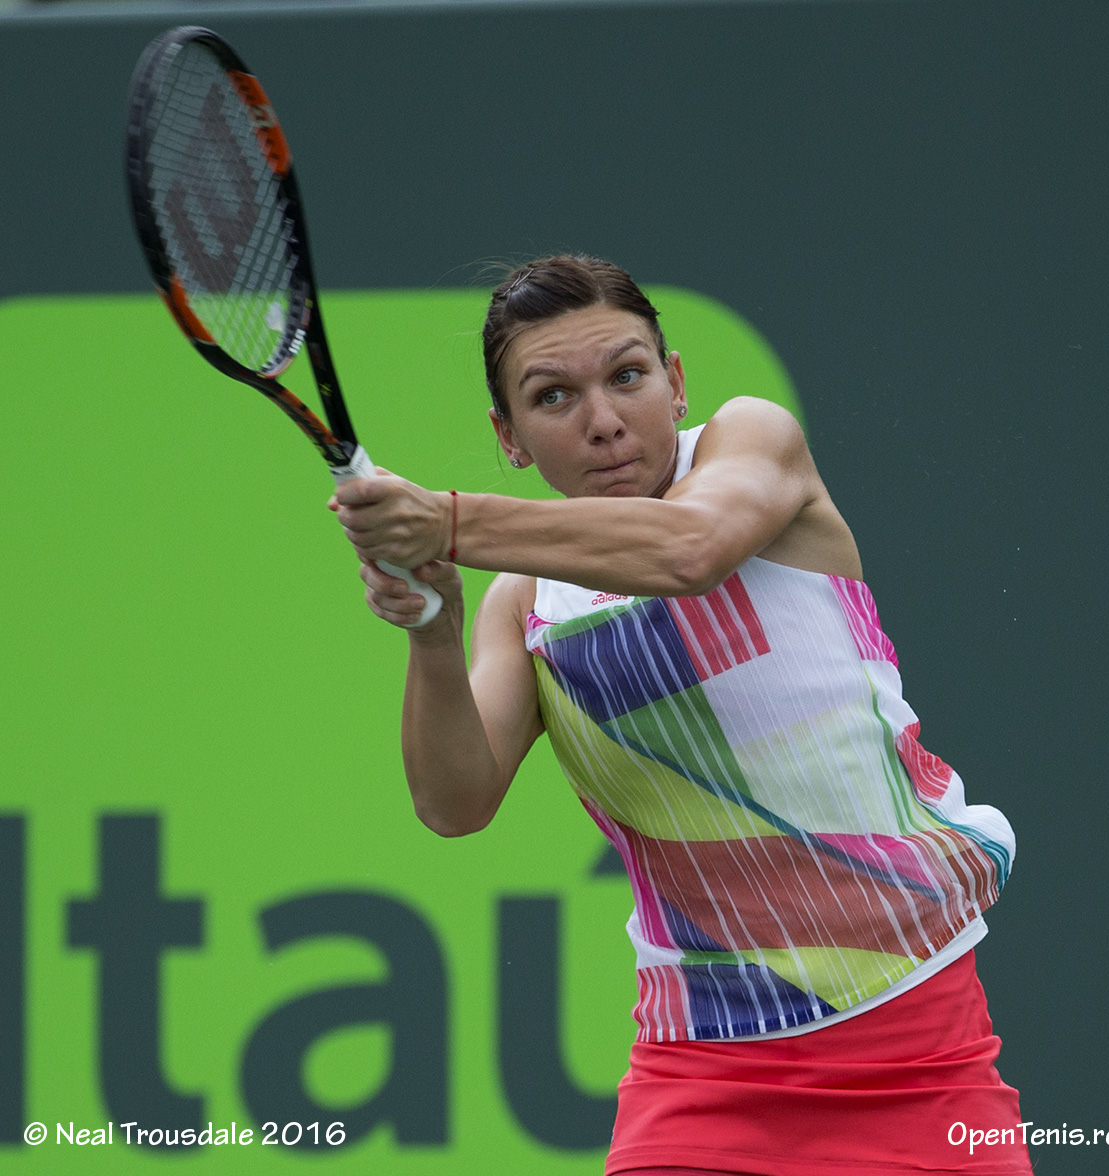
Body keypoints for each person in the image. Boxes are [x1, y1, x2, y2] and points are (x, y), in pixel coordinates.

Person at [330, 255, 1033, 1176]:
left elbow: (688, 551)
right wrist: (432, 630)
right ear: (509, 436)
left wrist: (449, 523)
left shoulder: (754, 444)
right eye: (553, 397)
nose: (603, 420)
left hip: (919, 1044)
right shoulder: (524, 602)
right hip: (698, 1073)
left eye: (627, 376)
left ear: (676, 381)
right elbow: (454, 804)